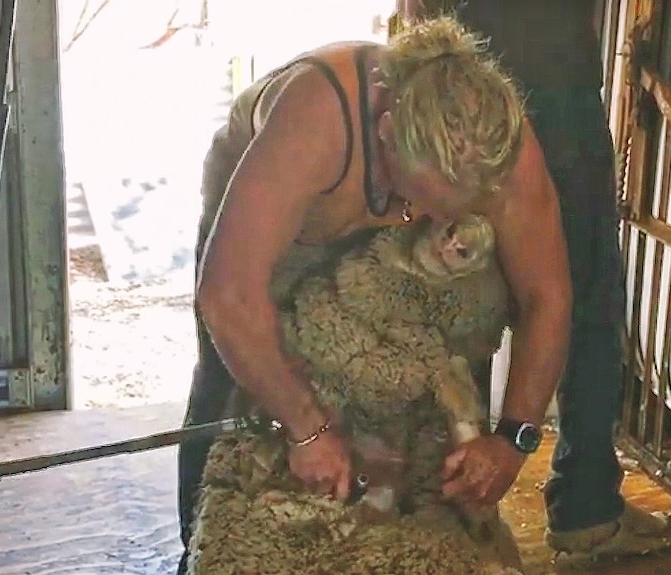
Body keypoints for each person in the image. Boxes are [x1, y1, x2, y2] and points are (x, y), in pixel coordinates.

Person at [176, 17, 573, 575]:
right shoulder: (315, 120)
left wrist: (513, 437)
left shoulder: (494, 145)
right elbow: (228, 296)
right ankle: (197, 554)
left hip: (372, 223)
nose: (429, 220)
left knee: (417, 378)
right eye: (422, 199)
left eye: (450, 210)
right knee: (230, 391)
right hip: (280, 214)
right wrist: (306, 427)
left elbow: (546, 296)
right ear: (386, 133)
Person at [394, 0, 671, 563]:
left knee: (462, 296)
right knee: (584, 298)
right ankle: (585, 507)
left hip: (467, 63)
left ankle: (453, 510)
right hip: (550, 69)